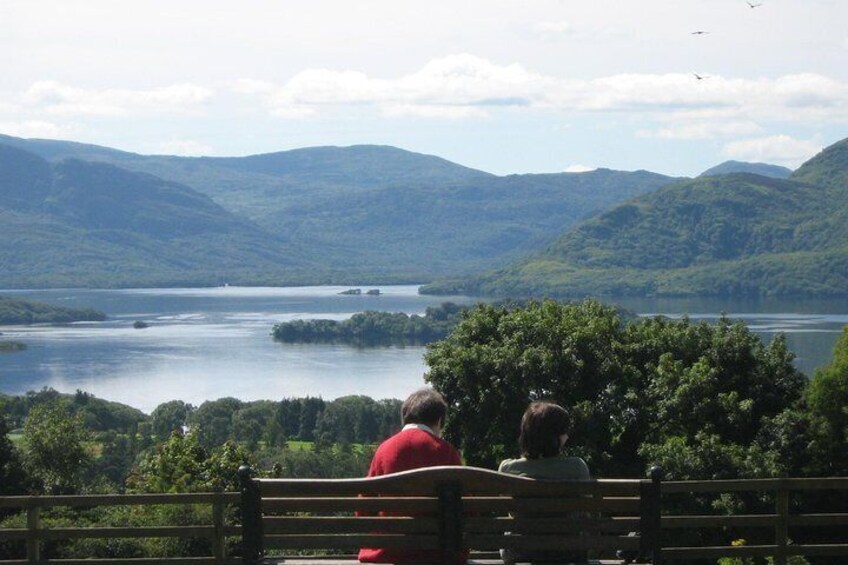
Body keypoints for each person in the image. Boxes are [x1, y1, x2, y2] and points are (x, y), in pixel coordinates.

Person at [358, 387, 463, 564]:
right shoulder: (446, 451)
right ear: (438, 420)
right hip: (438, 554)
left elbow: (364, 509)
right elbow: (466, 507)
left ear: (405, 417)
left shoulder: (384, 450)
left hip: (388, 553)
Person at [498, 401, 591, 565]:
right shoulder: (577, 467)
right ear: (555, 436)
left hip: (520, 551)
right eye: (564, 431)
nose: (567, 436)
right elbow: (586, 511)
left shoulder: (507, 468)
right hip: (568, 551)